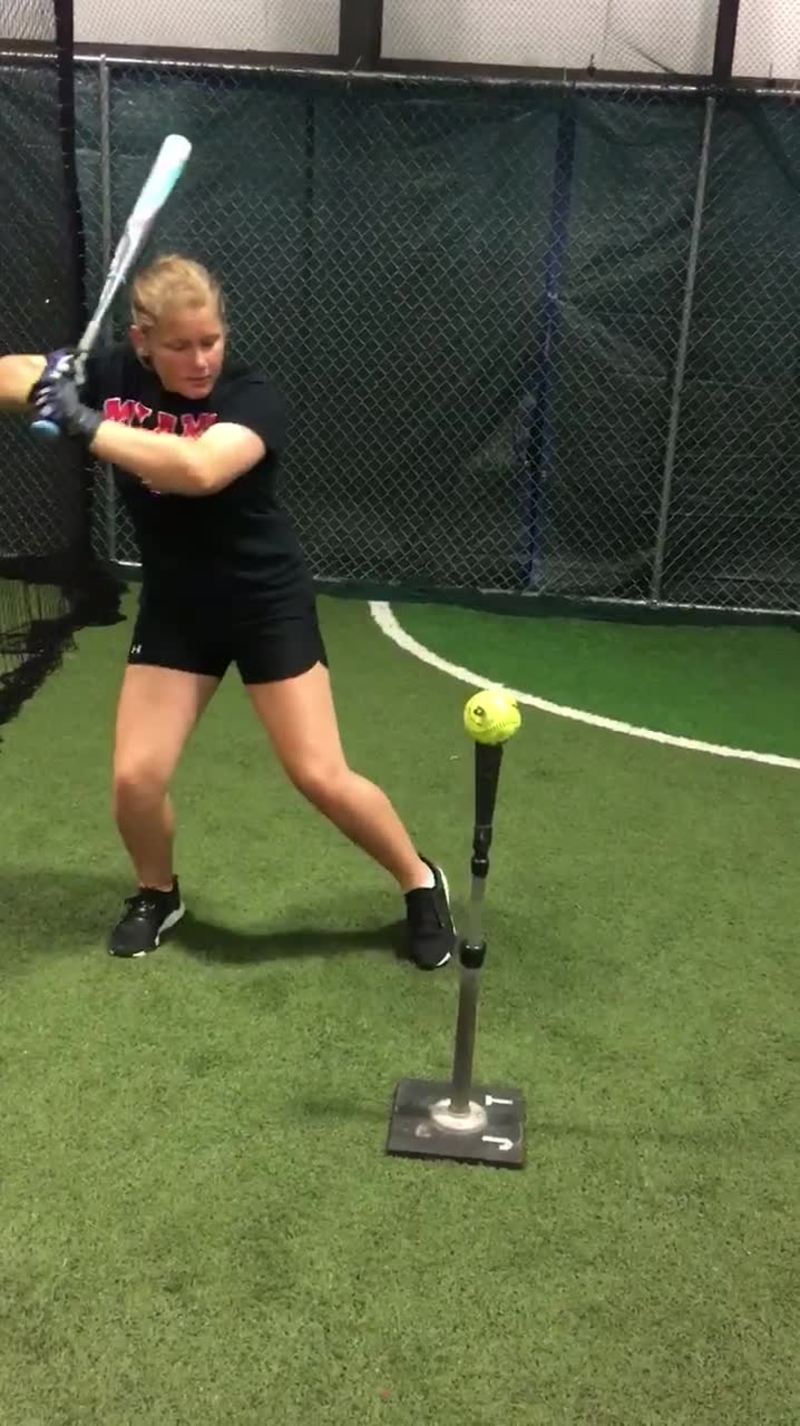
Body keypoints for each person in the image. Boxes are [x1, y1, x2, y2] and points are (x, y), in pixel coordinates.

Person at [0, 254, 455, 969]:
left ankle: (420, 882)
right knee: (136, 780)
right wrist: (46, 382)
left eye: (210, 340)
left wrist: (81, 420)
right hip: (179, 605)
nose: (200, 360)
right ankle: (157, 893)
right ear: (142, 342)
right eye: (180, 345)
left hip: (263, 600)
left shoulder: (251, 395)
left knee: (318, 774)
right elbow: (8, 374)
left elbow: (198, 469)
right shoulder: (112, 372)